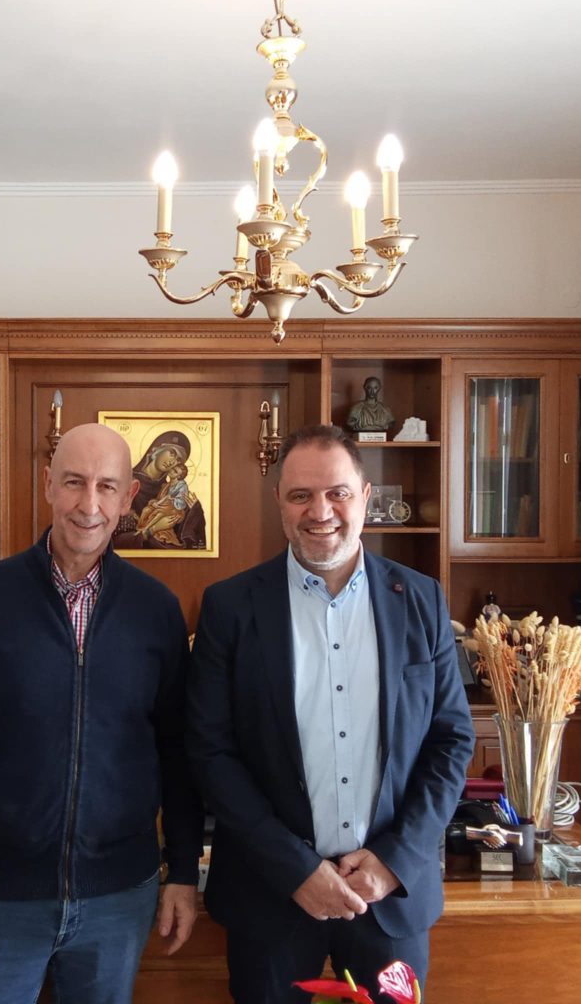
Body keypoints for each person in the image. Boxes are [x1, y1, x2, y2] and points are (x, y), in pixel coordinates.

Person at [0, 422, 203, 1004]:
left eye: (106, 486)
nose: (88, 504)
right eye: (73, 482)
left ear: (128, 498)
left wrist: (185, 871)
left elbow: (178, 749)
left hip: (118, 897)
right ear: (48, 484)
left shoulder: (156, 610)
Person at [186, 424, 473, 1003]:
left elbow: (451, 741)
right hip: (270, 897)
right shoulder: (229, 607)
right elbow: (210, 752)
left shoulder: (422, 600)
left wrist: (395, 860)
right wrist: (295, 868)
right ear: (279, 501)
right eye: (301, 495)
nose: (320, 512)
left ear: (365, 496)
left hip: (388, 899)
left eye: (337, 493)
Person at [115, 431, 206, 551]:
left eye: (178, 460)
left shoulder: (168, 490)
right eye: (172, 453)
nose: (172, 462)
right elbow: (115, 541)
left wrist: (195, 512)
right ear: (156, 449)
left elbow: (191, 543)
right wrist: (152, 530)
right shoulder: (126, 484)